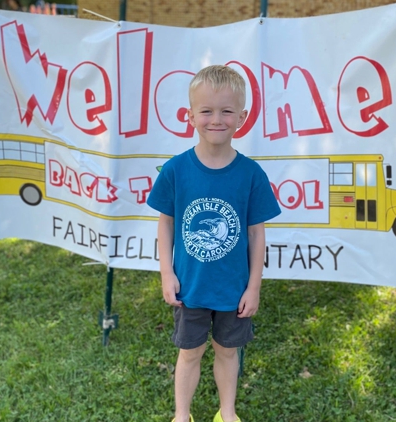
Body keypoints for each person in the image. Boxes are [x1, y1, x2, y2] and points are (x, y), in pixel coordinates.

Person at [147, 65, 281, 422]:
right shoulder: (176, 170)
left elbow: (256, 233)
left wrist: (254, 287)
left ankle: (227, 412)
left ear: (243, 116)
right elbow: (166, 224)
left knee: (227, 351)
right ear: (190, 116)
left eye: (226, 111)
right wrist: (166, 272)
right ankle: (182, 414)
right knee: (190, 353)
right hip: (190, 286)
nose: (216, 119)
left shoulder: (251, 174)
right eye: (206, 111)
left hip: (233, 289)